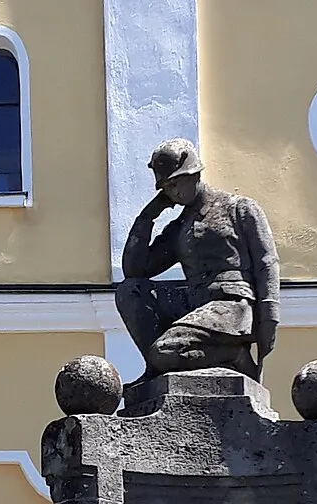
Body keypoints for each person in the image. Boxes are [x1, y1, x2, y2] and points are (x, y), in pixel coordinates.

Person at [114, 140, 280, 380]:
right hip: (195, 303)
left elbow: (267, 262)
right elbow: (135, 270)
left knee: (165, 352)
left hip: (232, 306)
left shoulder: (239, 208)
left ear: (194, 173)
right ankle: (156, 368)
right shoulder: (179, 227)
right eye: (167, 187)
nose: (174, 192)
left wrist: (269, 315)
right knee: (130, 291)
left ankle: (233, 356)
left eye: (176, 182)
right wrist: (147, 217)